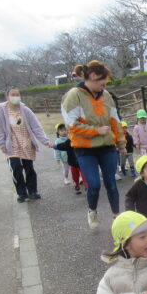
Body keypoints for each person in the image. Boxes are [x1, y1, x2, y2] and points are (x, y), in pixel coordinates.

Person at [61, 60, 127, 229]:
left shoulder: (106, 95)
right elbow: (72, 125)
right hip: (85, 148)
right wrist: (96, 130)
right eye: (102, 81)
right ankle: (92, 210)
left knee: (111, 182)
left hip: (107, 146)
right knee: (94, 184)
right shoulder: (74, 95)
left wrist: (121, 143)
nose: (104, 84)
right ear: (92, 77)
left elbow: (115, 121)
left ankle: (116, 218)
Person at [0, 87, 52, 203]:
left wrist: (45, 140)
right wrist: (1, 144)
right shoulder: (0, 111)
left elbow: (36, 127)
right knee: (16, 168)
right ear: (7, 96)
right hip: (11, 144)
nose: (15, 97)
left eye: (17, 94)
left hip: (26, 142)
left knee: (29, 168)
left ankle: (32, 191)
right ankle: (21, 193)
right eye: (13, 94)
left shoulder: (25, 110)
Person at [54, 123, 87, 195]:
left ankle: (86, 187)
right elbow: (59, 148)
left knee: (83, 173)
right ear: (58, 132)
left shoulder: (71, 137)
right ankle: (73, 183)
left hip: (79, 160)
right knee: (71, 173)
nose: (64, 132)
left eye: (65, 130)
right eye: (61, 130)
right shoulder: (61, 141)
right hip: (68, 160)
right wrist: (57, 158)